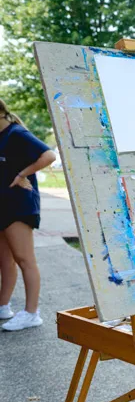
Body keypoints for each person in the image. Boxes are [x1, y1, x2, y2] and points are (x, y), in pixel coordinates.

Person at [0, 99, 55, 331]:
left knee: (24, 259)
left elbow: (49, 155)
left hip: (19, 206)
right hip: (4, 204)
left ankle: (32, 313)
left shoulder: (17, 133)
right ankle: (3, 306)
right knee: (5, 261)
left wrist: (23, 174)